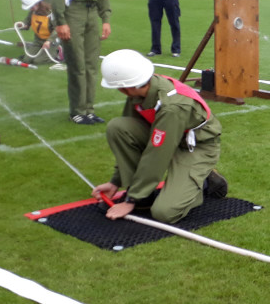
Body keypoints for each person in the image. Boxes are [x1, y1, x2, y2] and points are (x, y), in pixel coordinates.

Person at [93, 49, 227, 224]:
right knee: (118, 127)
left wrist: (130, 200)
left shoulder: (172, 106)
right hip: (170, 139)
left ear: (125, 88)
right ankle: (143, 196)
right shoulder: (138, 90)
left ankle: (205, 182)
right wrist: (115, 182)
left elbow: (157, 154)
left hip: (196, 147)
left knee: (165, 212)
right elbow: (132, 136)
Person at [17, 0, 56, 64]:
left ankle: (59, 53)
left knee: (37, 61)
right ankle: (40, 51)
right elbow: (27, 23)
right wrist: (21, 25)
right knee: (26, 60)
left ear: (38, 2)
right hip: (38, 41)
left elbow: (57, 28)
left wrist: (49, 41)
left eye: (31, 6)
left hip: (52, 42)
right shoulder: (33, 11)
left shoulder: (50, 13)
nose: (30, 9)